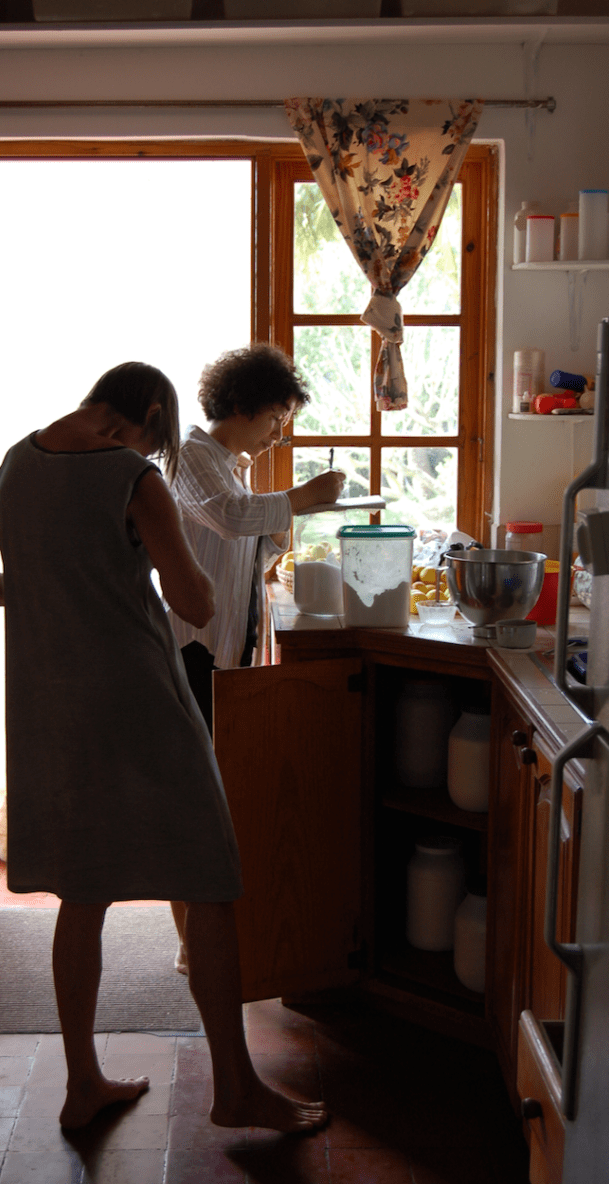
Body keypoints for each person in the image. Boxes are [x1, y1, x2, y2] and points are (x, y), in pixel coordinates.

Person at [0, 362, 328, 1135]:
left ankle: (84, 1083)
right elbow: (194, 601)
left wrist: (44, 589)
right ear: (148, 414)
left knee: (83, 894)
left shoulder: (18, 463)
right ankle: (236, 1089)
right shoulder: (134, 478)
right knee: (211, 878)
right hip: (145, 705)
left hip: (56, 710)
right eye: (154, 438)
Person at [166, 344, 345, 971]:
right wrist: (300, 500)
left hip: (223, 652)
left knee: (217, 796)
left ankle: (206, 937)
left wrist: (279, 533)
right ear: (239, 405)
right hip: (191, 652)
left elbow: (245, 552)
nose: (278, 434)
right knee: (195, 802)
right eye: (275, 418)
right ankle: (194, 945)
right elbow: (229, 518)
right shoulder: (193, 457)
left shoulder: (230, 465)